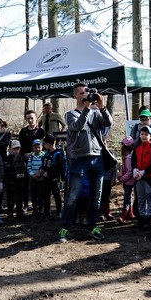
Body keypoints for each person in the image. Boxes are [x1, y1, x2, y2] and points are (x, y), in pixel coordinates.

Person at [56, 84, 113, 243]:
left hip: (97, 159)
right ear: (75, 96)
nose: (85, 95)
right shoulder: (70, 114)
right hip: (79, 159)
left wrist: (102, 107)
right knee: (72, 196)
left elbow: (108, 122)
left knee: (96, 196)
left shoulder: (95, 112)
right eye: (81, 93)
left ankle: (92, 226)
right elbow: (77, 126)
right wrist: (87, 108)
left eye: (86, 92)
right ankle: (65, 228)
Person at [131, 125, 151, 227]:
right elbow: (133, 161)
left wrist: (145, 172)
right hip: (138, 177)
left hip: (149, 177)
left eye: (146, 134)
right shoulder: (137, 147)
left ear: (150, 136)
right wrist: (134, 169)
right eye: (142, 134)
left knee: (149, 198)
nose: (144, 136)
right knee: (140, 198)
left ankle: (149, 219)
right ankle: (141, 218)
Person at [41, 134, 67, 219]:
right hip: (46, 179)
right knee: (45, 195)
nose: (43, 145)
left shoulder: (58, 154)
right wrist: (42, 169)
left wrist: (49, 173)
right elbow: (44, 164)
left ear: (49, 144)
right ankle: (46, 212)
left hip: (55, 179)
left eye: (44, 143)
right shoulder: (46, 153)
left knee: (56, 195)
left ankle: (59, 212)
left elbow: (60, 168)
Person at [4, 140, 26, 219]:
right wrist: (14, 175)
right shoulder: (7, 159)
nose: (16, 150)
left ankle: (19, 211)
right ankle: (10, 213)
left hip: (20, 182)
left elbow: (24, 168)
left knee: (19, 197)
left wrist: (22, 174)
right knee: (11, 198)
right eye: (14, 149)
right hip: (11, 182)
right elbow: (6, 171)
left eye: (18, 148)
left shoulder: (21, 158)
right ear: (10, 149)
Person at [117, 136, 137, 223]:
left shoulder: (128, 158)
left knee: (127, 198)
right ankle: (130, 213)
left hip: (128, 181)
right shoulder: (127, 157)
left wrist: (122, 178)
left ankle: (123, 215)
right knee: (129, 197)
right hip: (127, 181)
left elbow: (129, 171)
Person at [27, 139, 46, 215]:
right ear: (32, 148)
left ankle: (41, 208)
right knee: (34, 194)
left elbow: (45, 166)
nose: (37, 149)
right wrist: (32, 175)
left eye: (39, 147)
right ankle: (35, 209)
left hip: (41, 179)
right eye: (35, 147)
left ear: (42, 147)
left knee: (41, 194)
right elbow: (29, 167)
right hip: (33, 179)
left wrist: (41, 174)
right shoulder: (31, 157)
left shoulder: (44, 156)